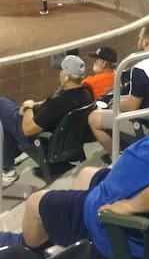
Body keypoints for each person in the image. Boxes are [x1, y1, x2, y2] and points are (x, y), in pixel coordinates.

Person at [3, 36, 149, 259]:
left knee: (35, 204)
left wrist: (127, 206)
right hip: (129, 190)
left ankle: (22, 251)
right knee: (85, 175)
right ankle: (61, 228)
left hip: (120, 224)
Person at [0, 56, 93, 186]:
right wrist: (35, 105)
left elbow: (28, 130)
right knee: (8, 108)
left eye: (61, 71)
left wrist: (28, 106)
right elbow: (51, 104)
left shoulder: (59, 103)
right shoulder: (86, 95)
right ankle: (7, 165)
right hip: (67, 142)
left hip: (43, 141)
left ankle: (8, 168)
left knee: (3, 104)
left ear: (66, 76)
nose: (59, 74)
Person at [88, 25, 149, 155]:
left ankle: (118, 161)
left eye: (139, 38)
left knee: (93, 118)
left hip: (146, 124)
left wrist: (114, 104)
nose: (138, 42)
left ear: (145, 42)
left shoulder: (140, 68)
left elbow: (132, 106)